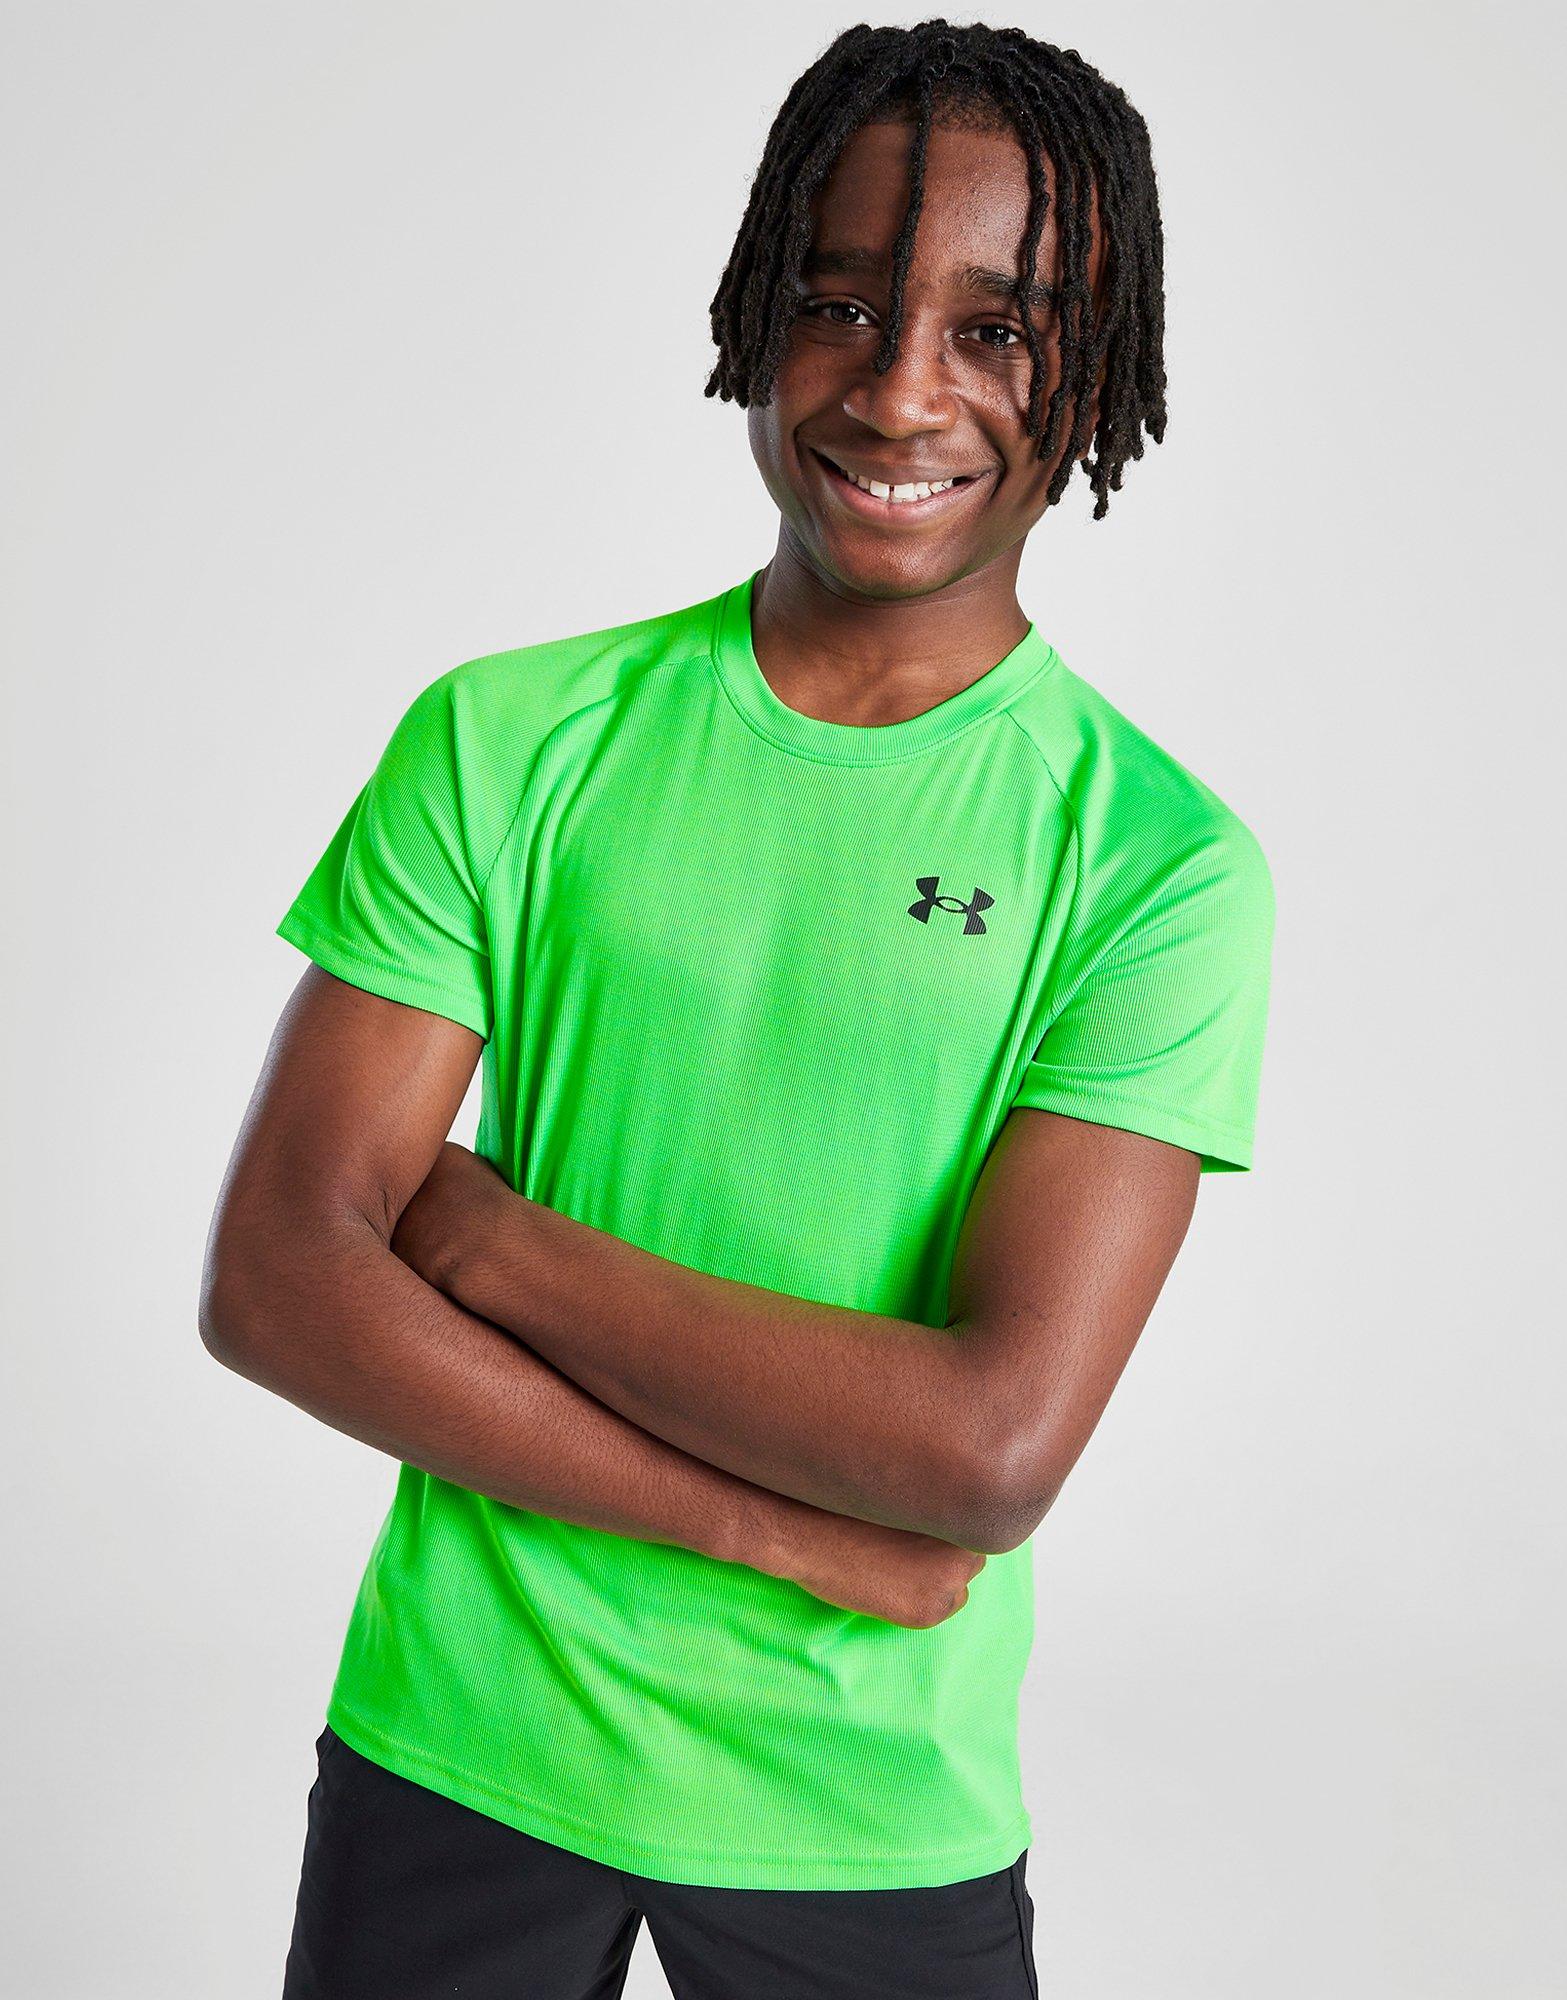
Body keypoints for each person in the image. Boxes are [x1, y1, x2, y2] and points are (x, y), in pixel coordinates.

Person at [200, 18, 1275, 1998]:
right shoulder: (511, 739)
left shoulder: (1152, 863)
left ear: (1097, 368)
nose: (899, 390)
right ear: (752, 312)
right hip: (459, 1749)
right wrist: (775, 1531)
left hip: (864, 1805)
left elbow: (984, 1451)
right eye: (838, 303)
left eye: (995, 330)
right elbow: (276, 1281)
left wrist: (496, 1244)